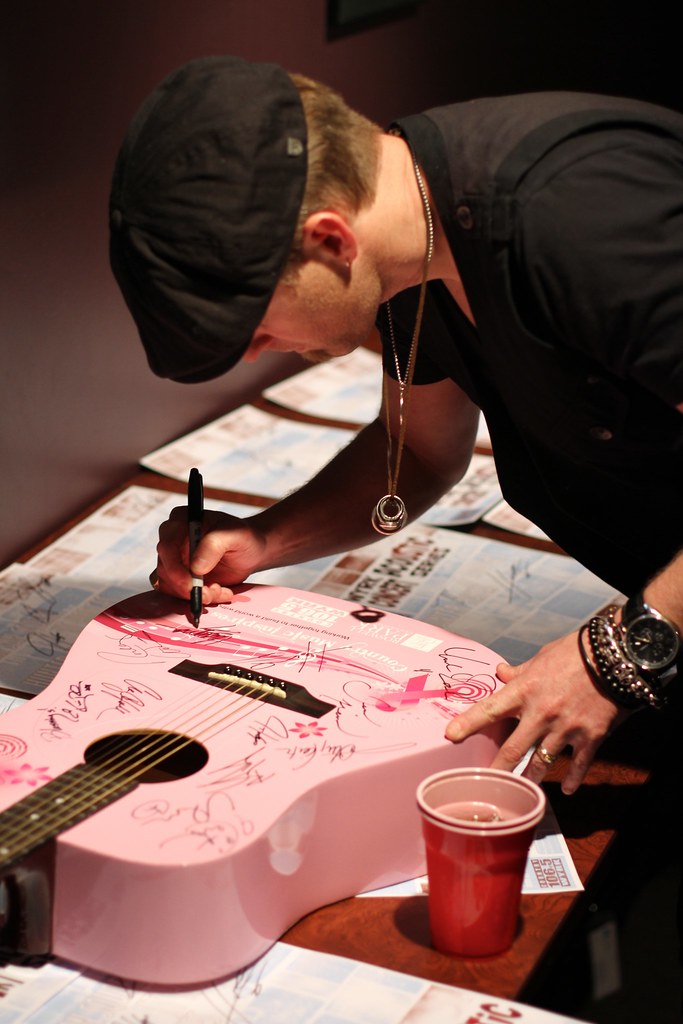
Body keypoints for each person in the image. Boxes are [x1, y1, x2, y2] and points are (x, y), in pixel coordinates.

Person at [109, 55, 682, 798]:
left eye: (254, 329)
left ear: (329, 241)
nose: (256, 354)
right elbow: (417, 452)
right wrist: (264, 541)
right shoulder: (410, 245)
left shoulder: (584, 217)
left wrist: (617, 655)